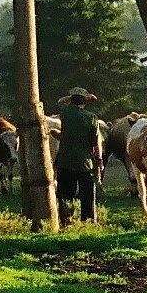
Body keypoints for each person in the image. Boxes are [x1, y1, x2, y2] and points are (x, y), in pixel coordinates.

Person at [54, 87, 104, 224]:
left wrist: (69, 97)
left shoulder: (64, 113)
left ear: (71, 100)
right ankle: (87, 221)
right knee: (87, 196)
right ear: (85, 101)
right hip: (85, 162)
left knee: (65, 195)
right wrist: (99, 161)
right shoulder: (91, 117)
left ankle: (66, 221)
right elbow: (94, 142)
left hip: (65, 161)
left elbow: (60, 101)